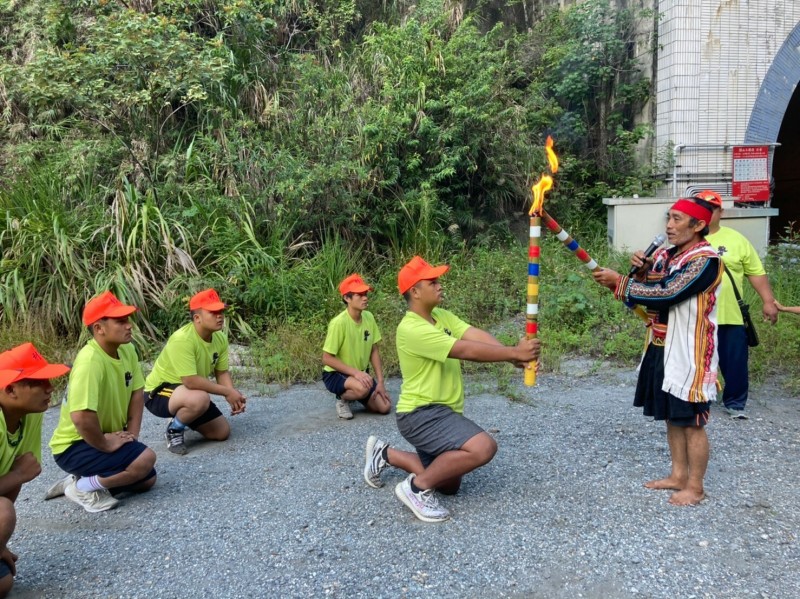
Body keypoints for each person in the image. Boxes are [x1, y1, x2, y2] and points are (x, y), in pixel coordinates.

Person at [363, 256, 540, 522]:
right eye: (432, 282)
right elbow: (465, 350)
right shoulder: (411, 328)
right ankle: (415, 489)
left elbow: (474, 335)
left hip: (441, 412)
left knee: (449, 485)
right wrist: (512, 352)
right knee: (483, 447)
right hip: (420, 414)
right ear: (415, 291)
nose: (439, 285)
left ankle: (385, 454)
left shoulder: (440, 317)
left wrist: (514, 356)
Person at [593, 197, 722, 506]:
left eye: (678, 219)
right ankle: (678, 475)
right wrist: (639, 273)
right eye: (669, 218)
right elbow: (652, 287)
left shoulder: (705, 260)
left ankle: (696, 486)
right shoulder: (666, 255)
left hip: (689, 349)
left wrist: (621, 282)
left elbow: (669, 293)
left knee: (692, 421)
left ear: (699, 225)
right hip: (661, 344)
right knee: (671, 416)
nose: (669, 225)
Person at [47, 291, 157, 513]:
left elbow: (137, 393)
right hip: (74, 445)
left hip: (102, 437)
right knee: (146, 459)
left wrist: (132, 436)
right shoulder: (90, 361)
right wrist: (106, 444)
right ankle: (82, 487)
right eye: (120, 321)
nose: (129, 326)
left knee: (147, 479)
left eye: (128, 320)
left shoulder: (127, 350)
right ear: (99, 328)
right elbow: (81, 417)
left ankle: (81, 480)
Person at [701, 190, 778, 419]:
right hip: (697, 316)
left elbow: (756, 272)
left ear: (720, 212)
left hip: (730, 314)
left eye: (711, 209)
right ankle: (699, 399)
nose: (706, 215)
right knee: (697, 360)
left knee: (734, 362)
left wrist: (768, 301)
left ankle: (734, 403)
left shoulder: (736, 239)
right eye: (701, 209)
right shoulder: (687, 239)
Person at [0, 343, 69, 597]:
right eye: (38, 382)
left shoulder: (28, 414)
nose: (50, 388)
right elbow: (18, 474)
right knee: (3, 511)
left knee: (4, 583)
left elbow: (15, 474)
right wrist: (17, 474)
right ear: (10, 389)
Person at [144, 288, 246, 455]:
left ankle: (185, 414)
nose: (219, 315)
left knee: (221, 432)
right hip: (158, 394)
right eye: (213, 312)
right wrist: (227, 392)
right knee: (200, 398)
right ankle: (174, 429)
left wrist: (232, 395)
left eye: (220, 311)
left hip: (186, 393)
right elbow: (190, 381)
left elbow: (222, 372)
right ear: (197, 318)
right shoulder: (182, 339)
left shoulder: (219, 338)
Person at [322, 274, 391, 420]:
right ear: (347, 298)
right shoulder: (338, 323)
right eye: (359, 295)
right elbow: (327, 359)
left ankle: (359, 392)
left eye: (365, 294)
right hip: (336, 374)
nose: (365, 298)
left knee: (385, 407)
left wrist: (380, 383)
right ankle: (342, 399)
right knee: (363, 388)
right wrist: (356, 374)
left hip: (360, 374)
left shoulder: (369, 317)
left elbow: (374, 350)